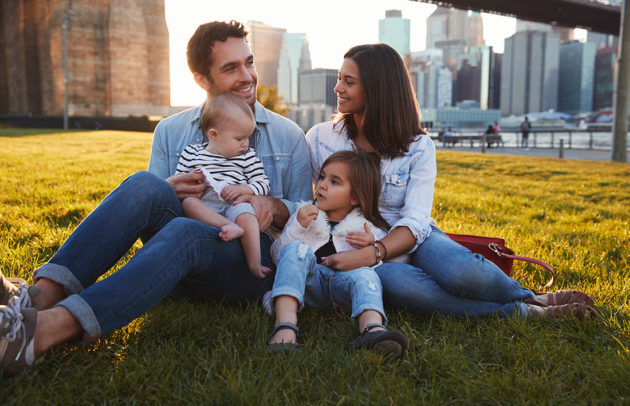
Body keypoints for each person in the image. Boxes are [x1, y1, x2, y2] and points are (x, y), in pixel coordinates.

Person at [0, 20, 312, 376]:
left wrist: (271, 205)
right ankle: (38, 298)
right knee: (146, 184)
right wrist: (170, 189)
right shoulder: (170, 130)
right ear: (202, 80)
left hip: (250, 265)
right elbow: (151, 208)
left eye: (249, 62)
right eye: (231, 68)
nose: (247, 75)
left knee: (184, 231)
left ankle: (41, 332)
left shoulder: (288, 135)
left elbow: (309, 216)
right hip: (180, 263)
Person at [306, 43, 596, 322]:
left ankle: (529, 295)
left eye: (348, 81)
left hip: (412, 239)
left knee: (463, 273)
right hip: (355, 245)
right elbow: (310, 204)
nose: (337, 88)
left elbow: (415, 221)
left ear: (377, 88)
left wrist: (375, 251)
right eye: (339, 78)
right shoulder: (321, 138)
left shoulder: (418, 146)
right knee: (404, 287)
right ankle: (525, 312)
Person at [265, 151, 408, 357]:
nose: (322, 185)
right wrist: (297, 227)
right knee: (296, 249)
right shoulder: (303, 214)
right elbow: (279, 256)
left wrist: (371, 248)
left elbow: (389, 265)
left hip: (343, 293)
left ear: (356, 197)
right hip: (307, 285)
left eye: (334, 182)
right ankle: (285, 325)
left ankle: (372, 329)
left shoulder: (368, 228)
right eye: (322, 177)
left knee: (366, 274)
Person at [176, 93, 271, 279]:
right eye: (239, 139)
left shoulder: (246, 157)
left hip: (232, 206)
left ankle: (255, 263)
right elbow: (178, 181)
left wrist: (242, 190)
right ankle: (228, 227)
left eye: (248, 138)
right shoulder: (192, 153)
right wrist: (192, 180)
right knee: (188, 203)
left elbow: (263, 184)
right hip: (204, 208)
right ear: (214, 135)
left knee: (246, 212)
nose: (245, 144)